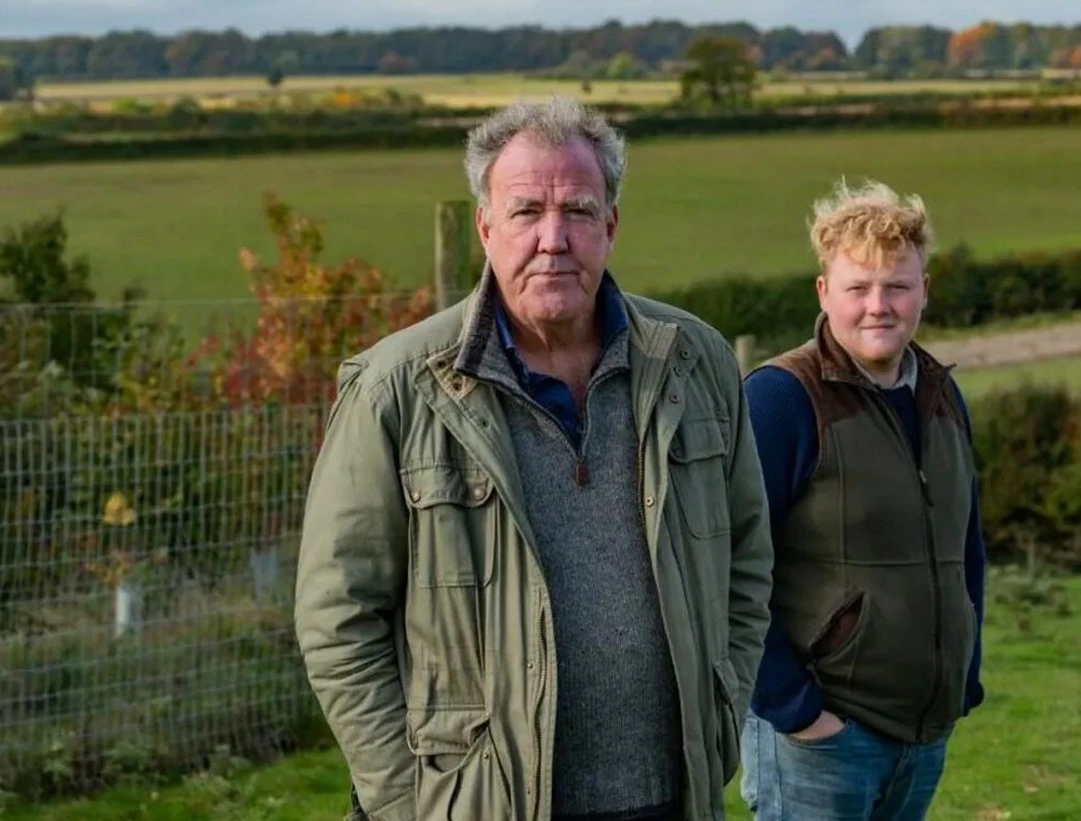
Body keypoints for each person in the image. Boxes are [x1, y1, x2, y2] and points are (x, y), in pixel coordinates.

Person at [293, 96, 774, 821]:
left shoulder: (694, 362)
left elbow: (748, 558)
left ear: (611, 226)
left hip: (668, 797)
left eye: (578, 210)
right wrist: (410, 800)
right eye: (526, 212)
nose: (554, 239)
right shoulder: (398, 390)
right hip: (478, 806)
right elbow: (338, 617)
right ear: (485, 228)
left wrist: (721, 712)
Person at [738, 179, 987, 820]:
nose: (878, 306)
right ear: (824, 292)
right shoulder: (781, 399)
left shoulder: (941, 396)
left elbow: (966, 546)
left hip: (922, 737)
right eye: (858, 288)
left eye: (897, 286)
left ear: (924, 290)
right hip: (819, 743)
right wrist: (795, 710)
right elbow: (725, 566)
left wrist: (964, 675)